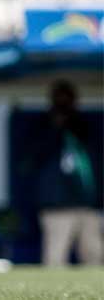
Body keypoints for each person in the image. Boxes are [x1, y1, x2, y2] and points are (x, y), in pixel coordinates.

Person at [34, 80, 102, 267]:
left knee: (94, 256)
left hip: (88, 205)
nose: (64, 104)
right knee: (55, 258)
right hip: (56, 206)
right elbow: (30, 159)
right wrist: (54, 128)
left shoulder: (86, 126)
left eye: (68, 99)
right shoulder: (41, 127)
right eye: (59, 99)